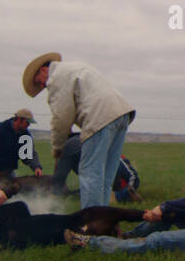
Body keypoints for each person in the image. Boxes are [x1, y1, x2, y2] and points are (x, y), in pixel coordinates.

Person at [23, 53, 135, 211]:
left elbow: (62, 117)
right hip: (122, 113)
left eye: (38, 82)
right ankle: (103, 221)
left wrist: (57, 148)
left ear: (43, 70)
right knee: (105, 177)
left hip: (100, 117)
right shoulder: (74, 68)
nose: (42, 86)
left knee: (90, 175)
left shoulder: (56, 78)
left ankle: (91, 225)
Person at [0, 108, 44, 184]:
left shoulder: (25, 136)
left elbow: (28, 155)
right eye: (27, 122)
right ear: (19, 119)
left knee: (14, 193)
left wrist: (36, 167)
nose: (29, 125)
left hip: (9, 174)